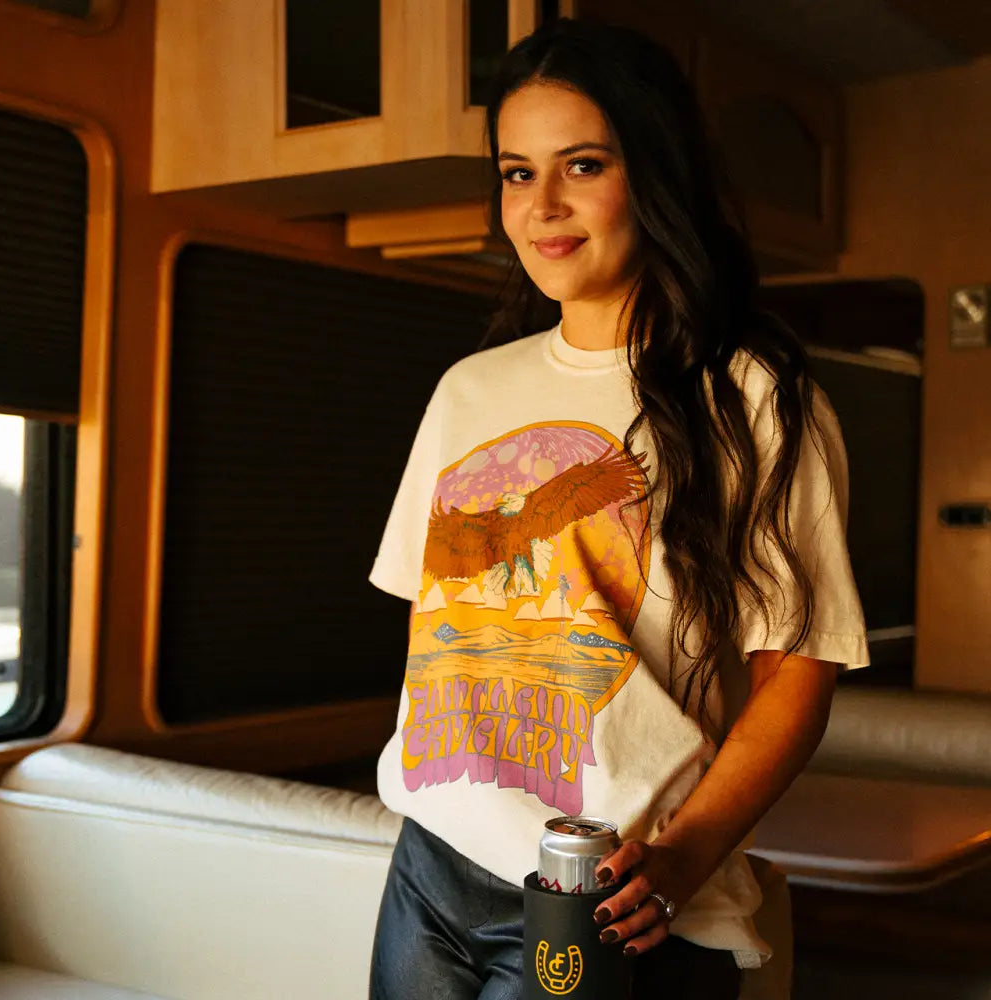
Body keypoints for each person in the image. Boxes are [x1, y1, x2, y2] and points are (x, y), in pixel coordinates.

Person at [367, 16, 868, 1000]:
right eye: (516, 172)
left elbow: (796, 677)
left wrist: (680, 863)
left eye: (581, 164)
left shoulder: (752, 395)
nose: (541, 205)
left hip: (608, 889)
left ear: (652, 172)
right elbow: (440, 626)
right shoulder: (468, 388)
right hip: (430, 860)